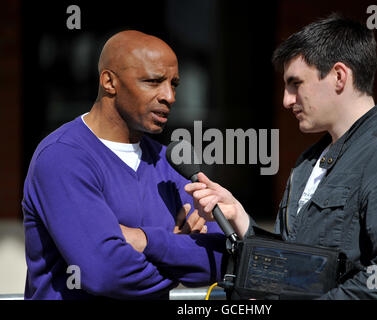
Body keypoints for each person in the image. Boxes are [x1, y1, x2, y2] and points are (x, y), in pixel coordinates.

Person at [186, 14, 377, 299]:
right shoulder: (309, 161)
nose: (287, 100)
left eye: (296, 83)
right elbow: (291, 265)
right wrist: (240, 218)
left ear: (339, 76)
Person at [22, 30, 226, 300]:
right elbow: (105, 274)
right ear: (109, 81)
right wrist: (179, 251)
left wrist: (145, 240)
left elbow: (225, 257)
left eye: (174, 83)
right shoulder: (62, 157)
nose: (170, 96)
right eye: (153, 82)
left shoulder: (170, 162)